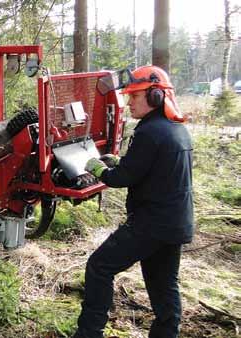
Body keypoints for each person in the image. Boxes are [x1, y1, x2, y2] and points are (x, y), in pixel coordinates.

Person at [72, 65, 194, 338]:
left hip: (151, 224)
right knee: (164, 287)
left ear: (155, 97)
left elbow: (121, 178)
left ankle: (89, 333)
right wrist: (119, 161)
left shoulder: (149, 132)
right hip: (175, 223)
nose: (128, 103)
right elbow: (151, 168)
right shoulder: (176, 129)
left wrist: (98, 168)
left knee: (99, 267)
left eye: (135, 96)